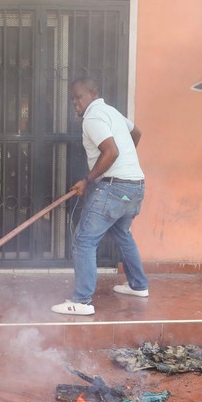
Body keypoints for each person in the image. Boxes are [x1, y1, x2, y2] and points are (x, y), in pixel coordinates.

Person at [52, 77, 149, 315]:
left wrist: (87, 180)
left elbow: (111, 151)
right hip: (135, 187)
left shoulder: (93, 117)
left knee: (84, 240)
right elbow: (136, 132)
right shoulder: (111, 112)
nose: (75, 102)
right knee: (123, 234)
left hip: (115, 188)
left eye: (79, 97)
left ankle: (82, 301)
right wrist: (127, 160)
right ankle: (138, 285)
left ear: (93, 93)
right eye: (72, 99)